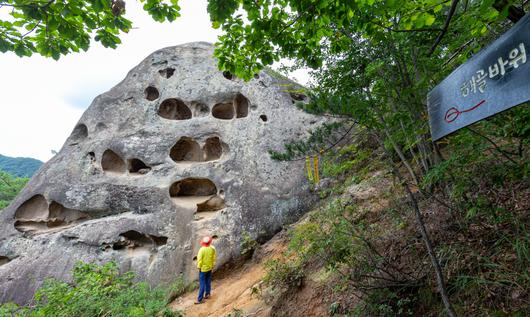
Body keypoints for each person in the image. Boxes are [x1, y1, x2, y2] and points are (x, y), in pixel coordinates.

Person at [195, 236, 216, 304]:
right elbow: (213, 258)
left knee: (202, 284)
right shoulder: (212, 248)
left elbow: (199, 260)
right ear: (210, 242)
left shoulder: (202, 250)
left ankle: (200, 299)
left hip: (203, 269)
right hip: (209, 268)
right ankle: (207, 294)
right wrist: (213, 265)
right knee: (208, 281)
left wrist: (199, 267)